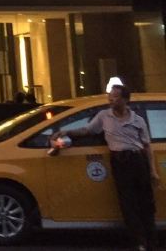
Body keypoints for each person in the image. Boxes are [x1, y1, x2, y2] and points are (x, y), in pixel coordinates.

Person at [50, 85, 158, 251]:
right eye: (110, 97)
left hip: (138, 160)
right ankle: (139, 241)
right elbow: (87, 130)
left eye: (115, 97)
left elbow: (147, 146)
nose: (111, 100)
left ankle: (151, 240)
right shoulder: (104, 116)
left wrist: (152, 171)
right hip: (120, 161)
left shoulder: (137, 120)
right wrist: (66, 132)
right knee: (127, 202)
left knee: (146, 201)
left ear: (125, 100)